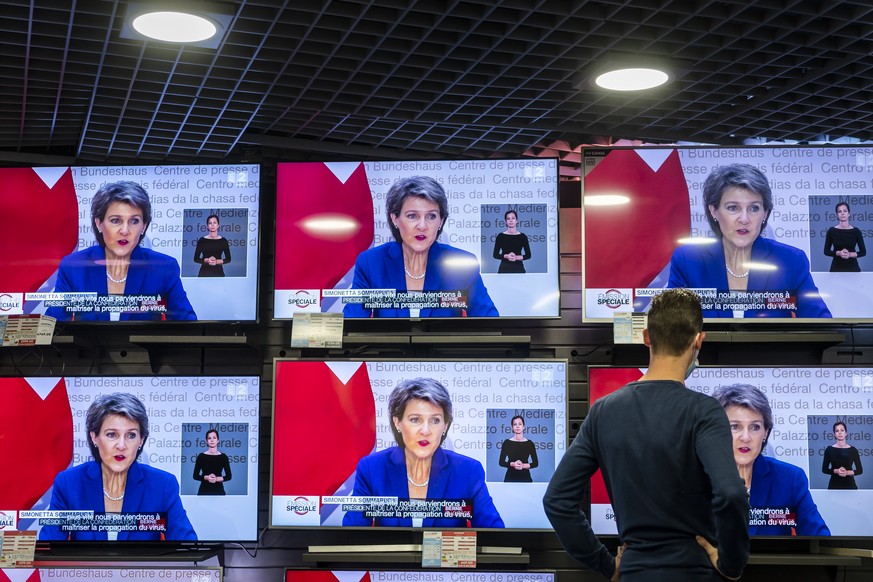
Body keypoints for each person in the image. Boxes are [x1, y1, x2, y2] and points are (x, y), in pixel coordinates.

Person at [543, 289, 749, 582]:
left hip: (634, 572)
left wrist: (604, 563)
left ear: (646, 337)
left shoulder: (603, 411)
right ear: (698, 341)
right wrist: (731, 563)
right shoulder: (703, 411)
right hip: (695, 572)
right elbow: (731, 494)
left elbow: (557, 500)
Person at [668, 163, 831, 318]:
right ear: (714, 211)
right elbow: (670, 328)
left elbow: (822, 327)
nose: (744, 219)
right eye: (733, 208)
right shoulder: (688, 260)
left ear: (765, 213)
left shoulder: (790, 261)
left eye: (754, 208)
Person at [342, 377, 504, 527]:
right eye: (415, 419)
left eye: (435, 420)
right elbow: (352, 535)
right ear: (397, 422)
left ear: (445, 425)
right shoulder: (372, 468)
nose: (425, 431)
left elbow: (494, 535)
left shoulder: (467, 471)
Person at [39, 392, 197, 541]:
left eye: (131, 435)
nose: (121, 445)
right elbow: (49, 546)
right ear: (95, 437)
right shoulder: (69, 483)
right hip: (85, 571)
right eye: (111, 434)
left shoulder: (162, 485)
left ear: (141, 440)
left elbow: (187, 546)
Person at [343, 176, 498, 317]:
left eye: (431, 216)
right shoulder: (371, 262)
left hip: (443, 348)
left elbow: (489, 323)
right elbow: (352, 323)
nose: (422, 226)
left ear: (441, 221)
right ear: (395, 219)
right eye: (412, 216)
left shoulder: (462, 264)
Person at [45, 181, 197, 321]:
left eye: (134, 221)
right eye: (115, 220)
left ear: (144, 226)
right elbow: (54, 326)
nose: (125, 230)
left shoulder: (163, 267)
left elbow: (187, 327)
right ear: (99, 223)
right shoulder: (73, 266)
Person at [713, 383, 830, 536]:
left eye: (755, 427)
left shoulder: (789, 479)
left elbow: (820, 540)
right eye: (735, 427)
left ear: (765, 433)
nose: (746, 437)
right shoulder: (694, 478)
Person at [823, 201, 866, 272]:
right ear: (837, 215)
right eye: (839, 211)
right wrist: (839, 253)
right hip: (836, 268)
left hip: (853, 268)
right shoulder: (832, 231)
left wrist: (849, 254)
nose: (842, 213)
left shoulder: (856, 231)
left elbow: (863, 252)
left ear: (849, 214)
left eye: (845, 211)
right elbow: (826, 251)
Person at [822, 420, 863, 490]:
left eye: (842, 430)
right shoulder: (829, 449)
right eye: (837, 431)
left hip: (850, 486)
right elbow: (824, 469)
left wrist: (846, 472)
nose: (840, 433)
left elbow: (860, 470)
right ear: (834, 434)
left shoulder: (853, 450)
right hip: (834, 486)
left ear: (846, 433)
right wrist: (837, 471)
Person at [498, 415, 539, 482]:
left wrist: (523, 465)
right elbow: (501, 462)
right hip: (510, 478)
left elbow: (535, 463)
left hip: (525, 477)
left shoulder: (529, 443)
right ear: (512, 427)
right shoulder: (507, 443)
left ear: (523, 427)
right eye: (515, 424)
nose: (517, 426)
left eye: (520, 424)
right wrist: (513, 464)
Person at [192, 429, 233, 495]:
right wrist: (207, 478)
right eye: (209, 438)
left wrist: (216, 479)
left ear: (218, 440)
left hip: (219, 491)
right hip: (204, 491)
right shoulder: (201, 456)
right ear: (206, 441)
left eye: (214, 438)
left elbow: (229, 476)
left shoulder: (223, 457)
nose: (212, 440)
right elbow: (195, 476)